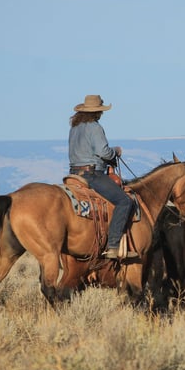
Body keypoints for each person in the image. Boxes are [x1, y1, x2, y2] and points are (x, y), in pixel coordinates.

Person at [68, 95, 137, 260]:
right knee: (124, 201)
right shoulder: (94, 127)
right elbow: (104, 152)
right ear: (97, 112)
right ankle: (113, 246)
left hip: (73, 173)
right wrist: (116, 152)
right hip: (92, 174)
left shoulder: (75, 127)